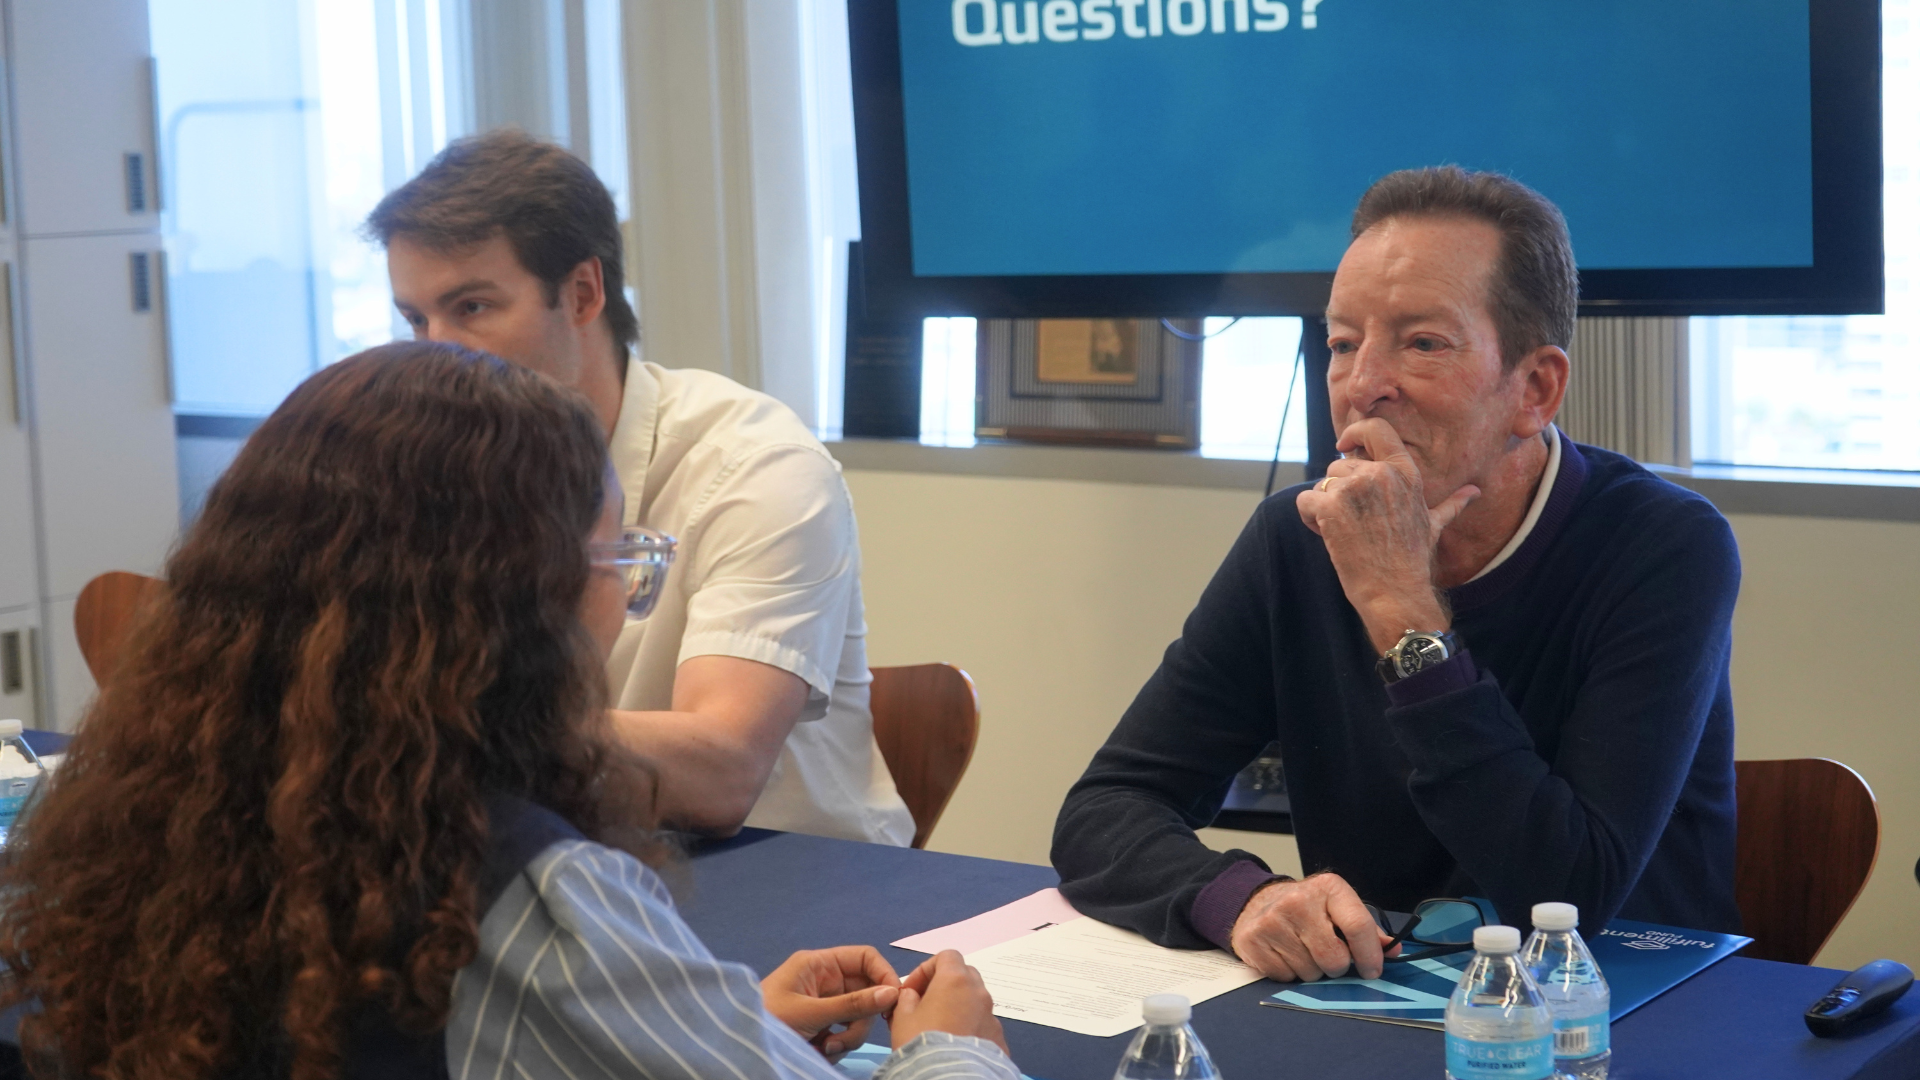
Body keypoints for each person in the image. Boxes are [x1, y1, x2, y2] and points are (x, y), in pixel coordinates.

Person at [0, 343, 1013, 1080]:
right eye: (616, 563)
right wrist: (950, 1049)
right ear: (519, 602)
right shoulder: (524, 893)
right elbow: (533, 991)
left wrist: (711, 1019)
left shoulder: (141, 823)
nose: (621, 600)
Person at [1051, 166, 1742, 984]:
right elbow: (1105, 809)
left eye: (1422, 343)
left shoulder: (1664, 546)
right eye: (1343, 344)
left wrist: (1400, 606)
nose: (1361, 386)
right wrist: (1244, 899)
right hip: (1376, 1002)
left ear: (1535, 389)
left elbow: (1564, 896)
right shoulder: (1294, 539)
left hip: (1613, 1007)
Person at [366, 130, 914, 845]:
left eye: (471, 308)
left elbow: (724, 769)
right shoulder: (426, 473)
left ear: (583, 293)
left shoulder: (756, 464)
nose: (434, 352)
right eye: (415, 319)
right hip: (567, 861)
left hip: (784, 875)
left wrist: (435, 733)